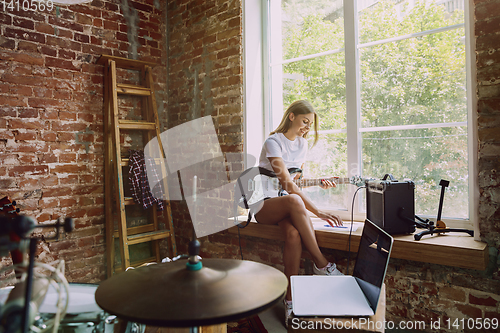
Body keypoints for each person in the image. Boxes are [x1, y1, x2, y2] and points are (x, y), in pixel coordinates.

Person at [253, 100, 344, 326]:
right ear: (292, 116)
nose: (307, 127)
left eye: (310, 124)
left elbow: (296, 181)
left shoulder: (302, 145)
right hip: (264, 205)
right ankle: (321, 263)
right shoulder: (273, 142)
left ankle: (290, 301)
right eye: (305, 121)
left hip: (285, 204)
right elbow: (286, 183)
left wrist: (318, 182)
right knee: (293, 199)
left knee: (293, 235)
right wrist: (318, 211)